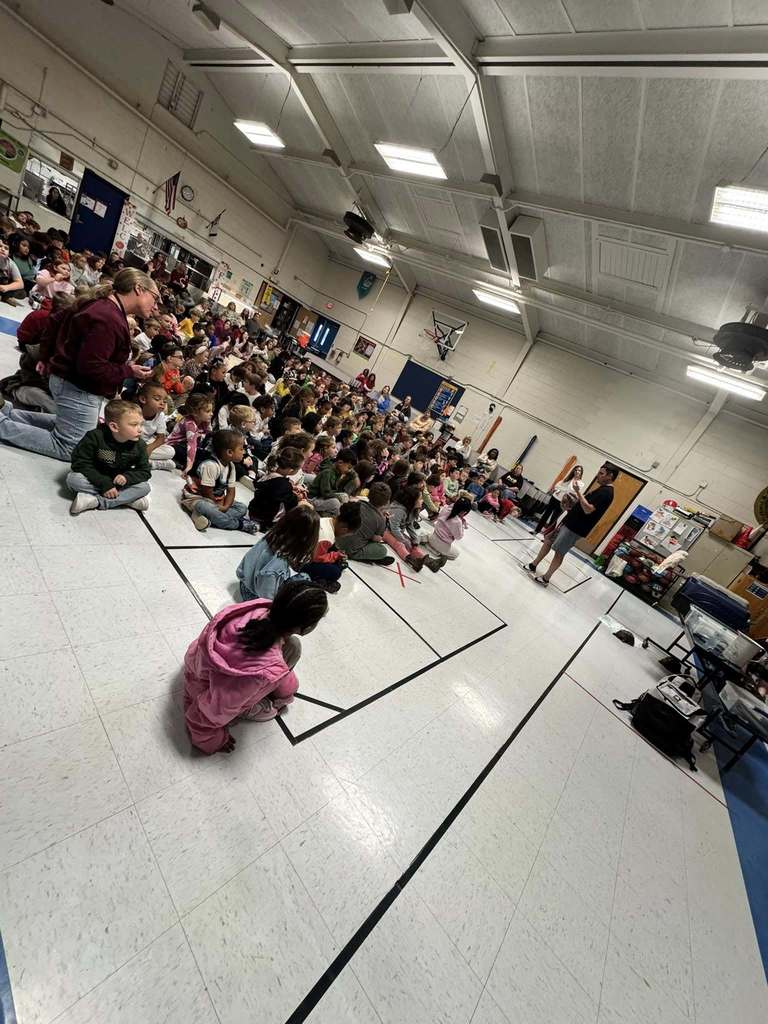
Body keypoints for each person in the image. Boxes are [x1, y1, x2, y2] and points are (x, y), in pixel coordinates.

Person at [0, 267, 155, 460]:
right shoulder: (108, 318)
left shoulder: (102, 306)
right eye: (154, 298)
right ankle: (2, 425)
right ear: (139, 289)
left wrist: (46, 356)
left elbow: (55, 321)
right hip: (78, 387)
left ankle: (10, 415)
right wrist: (127, 371)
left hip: (69, 382)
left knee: (68, 426)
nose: (155, 306)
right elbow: (92, 367)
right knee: (70, 446)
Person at [184, 579, 329, 752]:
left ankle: (276, 686)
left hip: (202, 663)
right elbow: (212, 710)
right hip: (205, 688)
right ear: (305, 627)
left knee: (293, 649)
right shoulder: (262, 673)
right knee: (272, 711)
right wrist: (212, 740)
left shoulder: (257, 609)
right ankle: (262, 702)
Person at [526, 463, 618, 586]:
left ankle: (546, 578)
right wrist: (572, 502)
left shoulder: (607, 493)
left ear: (610, 476)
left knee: (559, 552)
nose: (597, 476)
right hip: (568, 521)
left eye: (601, 474)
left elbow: (588, 509)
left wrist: (578, 492)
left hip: (575, 528)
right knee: (548, 539)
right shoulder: (601, 489)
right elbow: (583, 503)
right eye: (598, 472)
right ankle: (534, 564)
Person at [67, 398, 151, 515]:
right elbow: (79, 463)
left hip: (119, 483)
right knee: (73, 479)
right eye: (134, 425)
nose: (140, 429)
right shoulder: (95, 437)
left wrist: (127, 477)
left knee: (145, 487)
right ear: (114, 427)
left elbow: (145, 471)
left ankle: (96, 501)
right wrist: (104, 483)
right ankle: (126, 500)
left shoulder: (140, 445)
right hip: (96, 478)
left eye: (141, 424)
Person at [237, 505, 319, 601]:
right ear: (304, 539)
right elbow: (266, 598)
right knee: (304, 579)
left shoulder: (271, 535)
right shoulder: (278, 564)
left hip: (244, 583)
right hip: (254, 597)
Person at [181, 428, 253, 533]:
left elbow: (231, 490)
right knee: (204, 506)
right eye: (241, 449)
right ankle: (238, 524)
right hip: (199, 498)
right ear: (229, 452)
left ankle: (204, 517)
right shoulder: (211, 465)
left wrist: (226, 506)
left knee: (242, 508)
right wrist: (218, 507)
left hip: (217, 500)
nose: (244, 452)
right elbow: (207, 491)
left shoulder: (231, 466)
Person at [384, 483, 441, 573]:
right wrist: (403, 540)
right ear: (411, 501)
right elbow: (393, 527)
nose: (422, 501)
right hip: (386, 530)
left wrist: (415, 539)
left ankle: (429, 562)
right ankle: (412, 561)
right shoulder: (398, 510)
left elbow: (410, 525)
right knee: (400, 544)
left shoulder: (412, 510)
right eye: (420, 499)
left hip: (397, 531)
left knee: (412, 544)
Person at [334, 483, 395, 565]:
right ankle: (368, 557)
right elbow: (377, 539)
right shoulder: (381, 520)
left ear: (368, 494)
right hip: (351, 550)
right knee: (382, 550)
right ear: (386, 502)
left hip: (336, 539)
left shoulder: (357, 503)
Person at [247, 446, 303, 531]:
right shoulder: (284, 485)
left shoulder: (268, 475)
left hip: (253, 512)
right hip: (266, 520)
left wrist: (290, 489)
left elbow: (271, 488)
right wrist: (297, 498)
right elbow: (291, 504)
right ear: (291, 471)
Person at [167, 392, 213, 475]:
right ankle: (183, 464)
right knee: (194, 462)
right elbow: (191, 445)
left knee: (207, 456)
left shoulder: (204, 421)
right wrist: (189, 465)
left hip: (187, 446)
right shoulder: (190, 424)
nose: (212, 414)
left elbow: (206, 436)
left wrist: (208, 425)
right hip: (175, 446)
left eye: (211, 411)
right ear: (195, 413)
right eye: (208, 411)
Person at [136, 381, 176, 470]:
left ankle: (151, 463)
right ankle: (148, 462)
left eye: (164, 401)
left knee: (170, 451)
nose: (162, 403)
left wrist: (150, 448)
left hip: (145, 444)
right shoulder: (134, 411)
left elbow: (161, 438)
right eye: (157, 399)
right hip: (132, 442)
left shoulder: (160, 415)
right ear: (143, 399)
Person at [308, 447, 359, 516]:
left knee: (344, 497)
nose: (349, 470)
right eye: (349, 468)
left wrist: (354, 476)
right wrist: (339, 497)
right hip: (313, 499)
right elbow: (326, 493)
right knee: (336, 503)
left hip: (321, 497)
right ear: (340, 462)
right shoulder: (328, 472)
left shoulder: (338, 471)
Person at [536, 464, 583, 535]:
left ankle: (546, 534)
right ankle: (536, 530)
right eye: (576, 470)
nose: (577, 471)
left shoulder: (581, 483)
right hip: (555, 497)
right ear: (573, 471)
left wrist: (563, 488)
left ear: (581, 472)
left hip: (563, 502)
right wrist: (562, 489)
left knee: (554, 519)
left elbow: (570, 490)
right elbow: (557, 486)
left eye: (579, 470)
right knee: (546, 514)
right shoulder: (568, 478)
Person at [425, 496, 471, 565]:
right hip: (443, 544)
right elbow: (459, 537)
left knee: (428, 534)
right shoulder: (458, 521)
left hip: (434, 536)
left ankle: (429, 545)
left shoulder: (446, 508)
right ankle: (436, 552)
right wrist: (462, 525)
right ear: (464, 512)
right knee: (456, 554)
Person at [0, 238, 25, 305]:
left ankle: (4, 296)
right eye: (0, 246)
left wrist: (6, 288)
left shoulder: (10, 263)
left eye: (6, 248)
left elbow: (20, 284)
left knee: (22, 293)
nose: (2, 249)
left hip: (3, 286)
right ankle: (5, 297)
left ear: (9, 253)